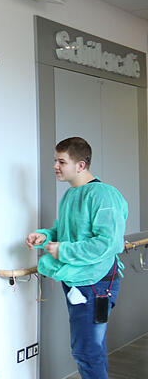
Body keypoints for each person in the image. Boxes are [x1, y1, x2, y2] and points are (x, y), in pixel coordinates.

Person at [25, 137, 127, 379]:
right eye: (55, 160)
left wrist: (64, 251)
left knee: (87, 351)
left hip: (96, 283)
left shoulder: (104, 195)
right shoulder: (71, 195)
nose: (55, 166)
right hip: (76, 280)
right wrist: (43, 236)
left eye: (62, 161)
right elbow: (64, 233)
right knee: (89, 348)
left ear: (81, 165)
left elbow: (107, 243)